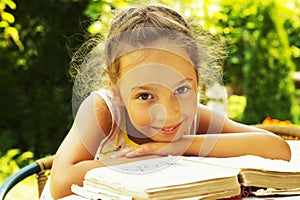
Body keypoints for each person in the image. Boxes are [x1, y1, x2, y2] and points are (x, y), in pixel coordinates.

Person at [47, 4, 291, 199]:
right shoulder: (104, 111)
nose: (169, 112)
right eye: (145, 96)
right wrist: (153, 157)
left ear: (197, 81)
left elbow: (276, 148)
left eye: (182, 89)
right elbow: (60, 183)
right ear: (118, 93)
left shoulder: (196, 117)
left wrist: (179, 146)